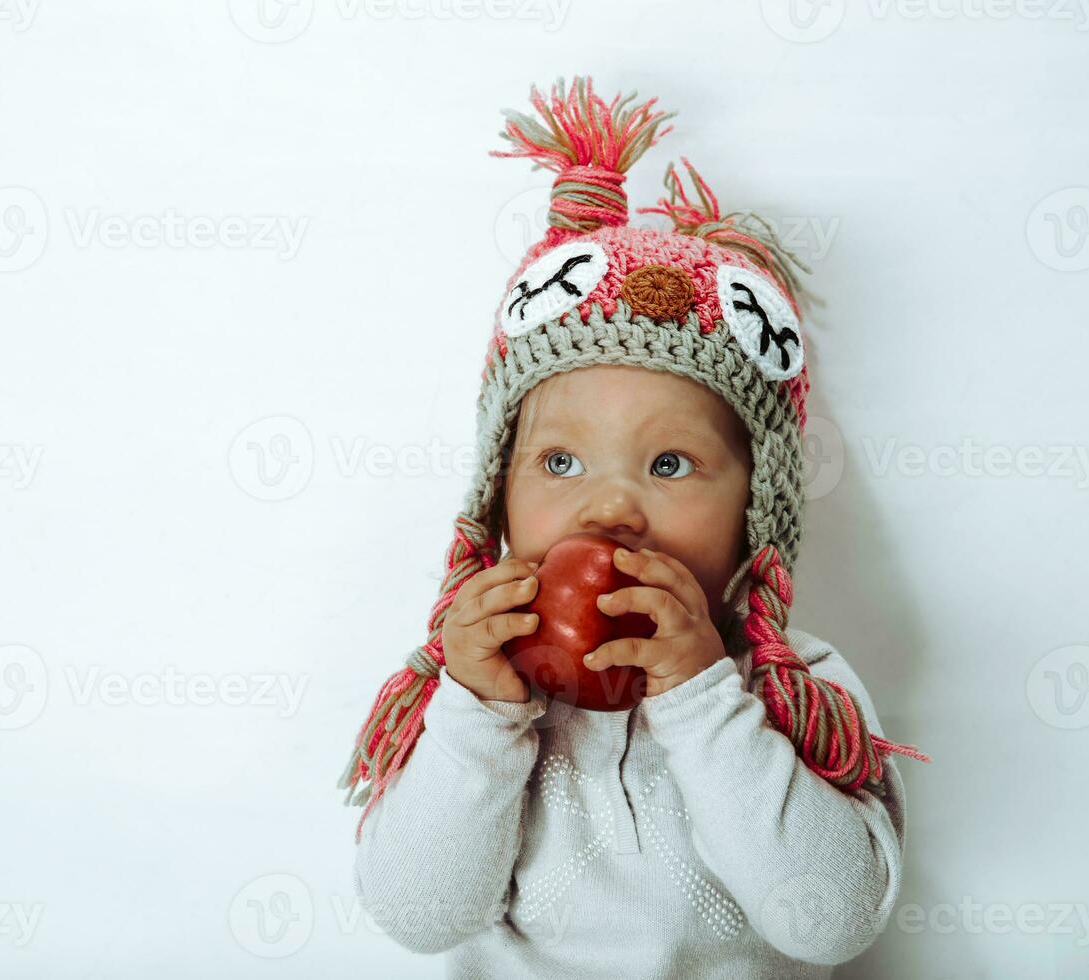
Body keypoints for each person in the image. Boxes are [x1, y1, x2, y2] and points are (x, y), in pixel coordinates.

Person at [338, 75, 928, 978]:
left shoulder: (791, 688)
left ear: (756, 508)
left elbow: (830, 923)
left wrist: (702, 699)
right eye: (561, 463)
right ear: (495, 495)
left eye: (668, 465)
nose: (609, 510)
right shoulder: (478, 692)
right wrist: (479, 714)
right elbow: (420, 915)